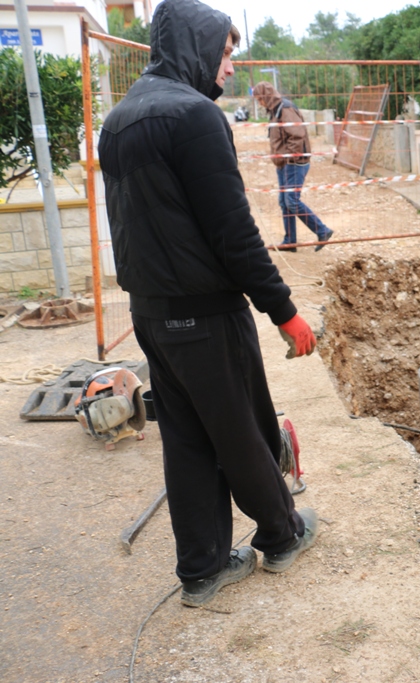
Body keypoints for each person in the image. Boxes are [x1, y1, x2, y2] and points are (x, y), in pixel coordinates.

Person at [98, 0, 319, 607]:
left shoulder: (119, 118)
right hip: (205, 311)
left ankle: (202, 568)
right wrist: (284, 310)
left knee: (189, 438)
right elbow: (233, 232)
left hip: (151, 313)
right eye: (224, 51)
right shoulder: (194, 116)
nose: (230, 64)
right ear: (196, 45)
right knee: (241, 428)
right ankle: (281, 535)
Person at [252, 80, 334, 252]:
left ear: (266, 96)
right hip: (284, 163)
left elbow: (297, 135)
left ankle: (322, 230)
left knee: (291, 201)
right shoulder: (275, 110)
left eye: (260, 99)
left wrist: (289, 157)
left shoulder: (285, 109)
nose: (259, 103)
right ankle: (290, 241)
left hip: (293, 163)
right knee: (284, 201)